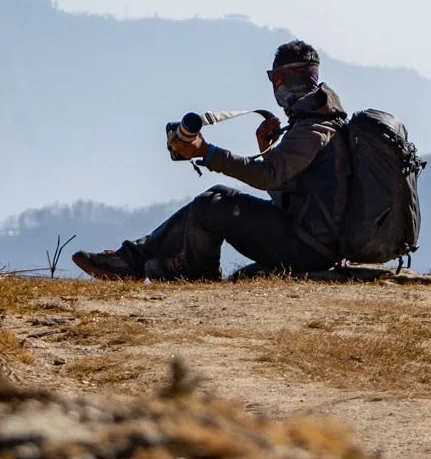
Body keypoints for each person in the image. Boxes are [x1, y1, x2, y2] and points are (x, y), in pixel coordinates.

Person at [72, 39, 346, 281]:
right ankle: (146, 260)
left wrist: (207, 152)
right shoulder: (320, 123)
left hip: (307, 246)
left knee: (212, 205)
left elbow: (267, 176)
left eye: (280, 79)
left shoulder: (314, 129)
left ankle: (155, 265)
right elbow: (284, 191)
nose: (280, 88)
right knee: (218, 208)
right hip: (313, 243)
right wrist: (267, 149)